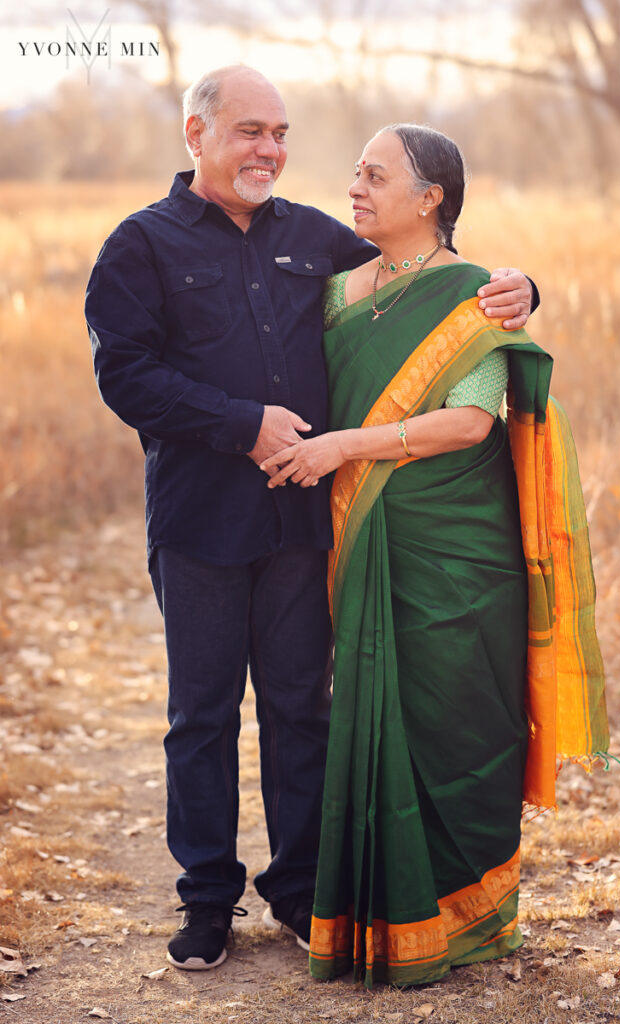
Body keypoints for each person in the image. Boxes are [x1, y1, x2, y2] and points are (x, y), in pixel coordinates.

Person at [85, 67, 538, 973]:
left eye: (281, 132)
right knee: (201, 716)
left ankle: (297, 893)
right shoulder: (140, 244)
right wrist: (241, 424)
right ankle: (207, 899)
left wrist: (525, 289)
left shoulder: (312, 237)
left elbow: (425, 283)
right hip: (200, 520)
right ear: (196, 134)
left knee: (301, 710)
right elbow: (126, 378)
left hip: (303, 526)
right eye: (250, 131)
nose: (270, 150)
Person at [261, 124, 611, 988]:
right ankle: (373, 915)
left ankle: (462, 912)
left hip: (456, 553)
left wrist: (344, 448)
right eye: (354, 172)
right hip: (362, 541)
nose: (356, 186)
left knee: (459, 718)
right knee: (371, 716)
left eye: (375, 176)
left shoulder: (471, 297)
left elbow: (471, 423)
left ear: (430, 201)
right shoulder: (337, 291)